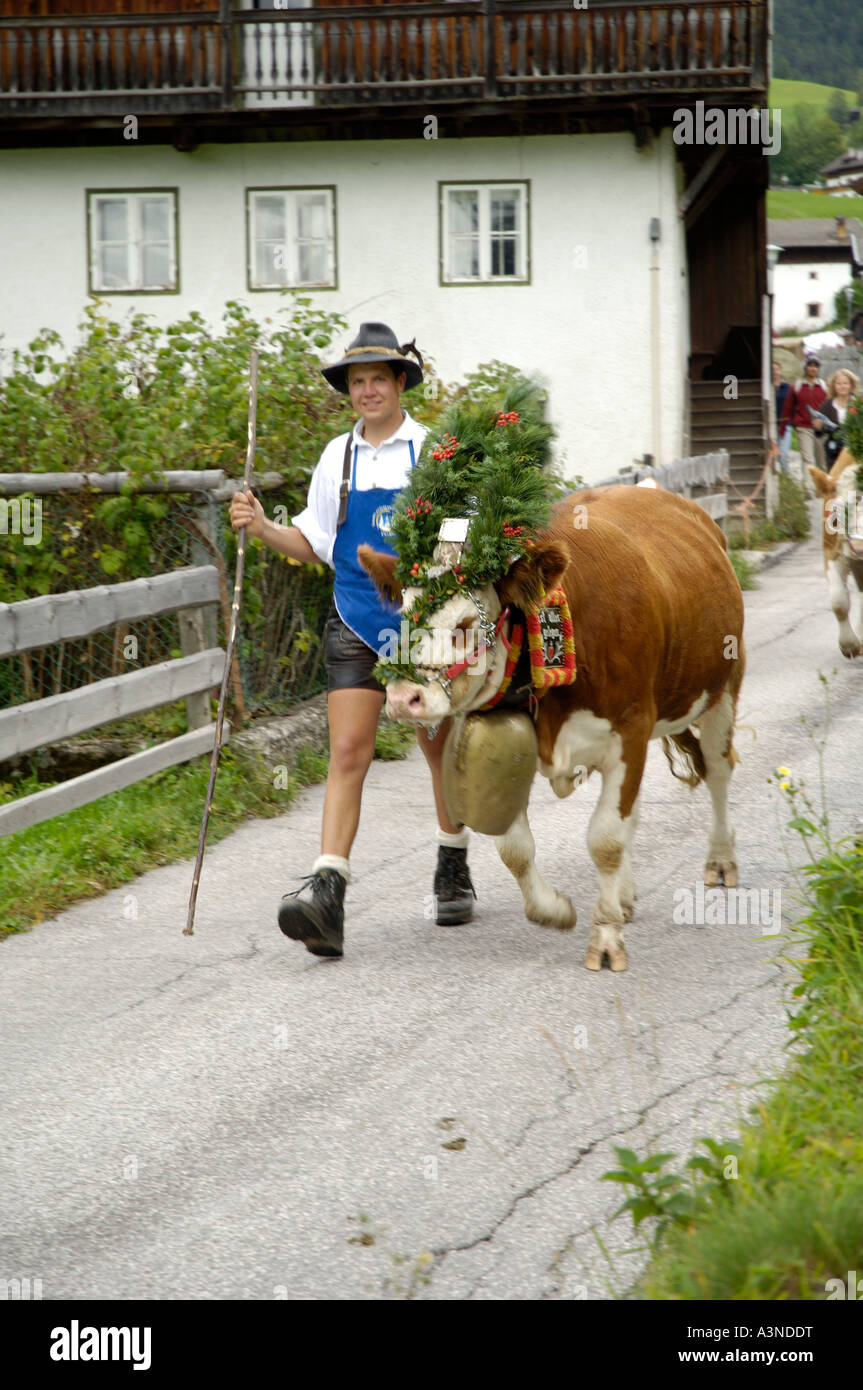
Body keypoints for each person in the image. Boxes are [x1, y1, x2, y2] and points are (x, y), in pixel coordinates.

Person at [228, 322, 476, 959]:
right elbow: (314, 545)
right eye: (356, 381)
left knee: (437, 745)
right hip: (356, 618)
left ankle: (452, 861)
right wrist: (259, 527)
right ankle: (328, 894)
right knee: (347, 753)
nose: (366, 390)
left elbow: (457, 540)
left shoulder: (434, 452)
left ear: (400, 383)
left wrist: (430, 605)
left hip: (422, 625)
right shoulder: (337, 458)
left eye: (377, 379)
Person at [780, 356, 827, 489]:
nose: (813, 368)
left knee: (821, 461)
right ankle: (808, 488)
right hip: (803, 427)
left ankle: (821, 487)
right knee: (808, 460)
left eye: (815, 366)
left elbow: (830, 407)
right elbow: (788, 409)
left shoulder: (824, 387)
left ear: (818, 369)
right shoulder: (797, 386)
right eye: (810, 365)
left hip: (821, 428)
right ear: (805, 368)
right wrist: (783, 428)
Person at [813, 367, 860, 471]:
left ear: (851, 385)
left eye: (845, 383)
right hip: (833, 453)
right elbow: (819, 433)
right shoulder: (826, 406)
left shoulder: (858, 405)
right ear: (834, 386)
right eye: (838, 384)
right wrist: (818, 427)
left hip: (854, 453)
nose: (842, 386)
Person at [772, 361, 792, 474]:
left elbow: (793, 405)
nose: (775, 371)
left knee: (783, 454)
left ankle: (786, 479)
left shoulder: (787, 387)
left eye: (776, 369)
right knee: (772, 454)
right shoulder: (767, 387)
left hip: (784, 424)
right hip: (771, 424)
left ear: (780, 370)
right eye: (772, 369)